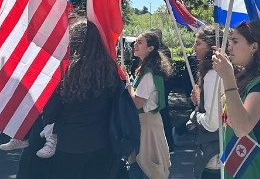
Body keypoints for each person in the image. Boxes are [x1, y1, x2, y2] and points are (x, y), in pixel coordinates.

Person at [44, 21, 126, 179]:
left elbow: (49, 115)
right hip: (102, 144)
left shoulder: (65, 72)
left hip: (69, 145)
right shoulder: (110, 69)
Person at [211, 20, 260, 178]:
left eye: (235, 41)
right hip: (243, 167)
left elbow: (241, 128)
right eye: (229, 42)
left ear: (254, 47)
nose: (229, 46)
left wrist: (228, 77)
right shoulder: (244, 80)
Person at [126, 29, 173, 179]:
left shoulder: (148, 73)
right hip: (149, 122)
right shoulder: (148, 69)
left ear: (150, 48)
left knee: (147, 165)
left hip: (146, 124)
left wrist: (128, 86)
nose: (135, 45)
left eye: (140, 42)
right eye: (136, 42)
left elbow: (138, 103)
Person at [187, 25, 221, 178]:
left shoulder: (213, 73)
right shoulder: (215, 71)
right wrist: (199, 101)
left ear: (211, 46)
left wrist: (195, 115)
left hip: (215, 154)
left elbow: (212, 123)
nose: (194, 47)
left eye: (198, 43)